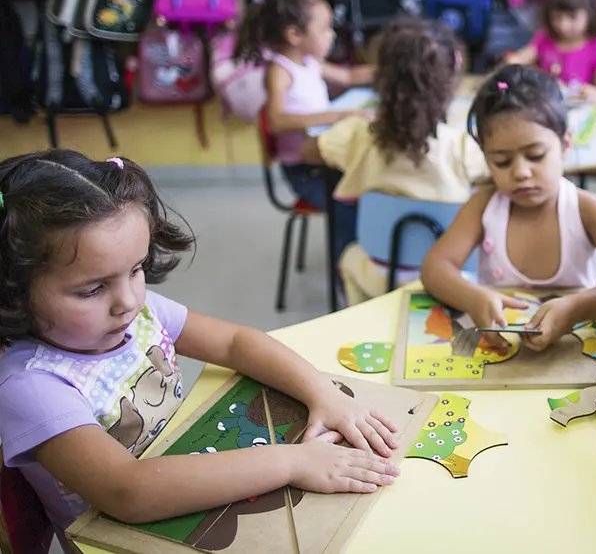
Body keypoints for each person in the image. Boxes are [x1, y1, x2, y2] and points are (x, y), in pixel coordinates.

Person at [0, 151, 399, 547]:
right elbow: (127, 492)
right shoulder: (31, 386)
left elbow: (234, 342)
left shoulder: (136, 312)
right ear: (14, 290)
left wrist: (323, 394)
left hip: (188, 483)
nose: (128, 300)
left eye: (136, 270)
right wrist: (293, 461)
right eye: (92, 289)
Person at [421, 64, 596, 352]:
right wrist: (471, 297)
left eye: (535, 155)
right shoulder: (483, 206)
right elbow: (434, 267)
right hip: (502, 358)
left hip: (573, 357)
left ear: (565, 144)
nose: (521, 172)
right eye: (501, 161)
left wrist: (577, 308)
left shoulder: (587, 210)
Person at [300, 17, 487, 305]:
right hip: (453, 273)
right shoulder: (461, 142)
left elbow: (308, 151)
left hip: (377, 270)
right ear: (448, 82)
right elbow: (498, 171)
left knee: (348, 239)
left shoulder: (360, 133)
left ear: (383, 78)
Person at [235, 0, 374, 211]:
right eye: (325, 29)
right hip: (306, 172)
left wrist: (390, 69)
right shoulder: (281, 71)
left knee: (366, 186)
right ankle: (344, 246)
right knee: (352, 203)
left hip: (324, 157)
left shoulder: (310, 62)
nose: (332, 34)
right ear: (295, 35)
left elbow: (348, 76)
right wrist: (339, 115)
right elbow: (276, 121)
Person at [504, 0, 596, 105]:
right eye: (556, 17)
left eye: (572, 17)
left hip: (583, 117)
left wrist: (594, 94)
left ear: (591, 13)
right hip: (550, 113)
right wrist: (512, 62)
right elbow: (519, 59)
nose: (563, 25)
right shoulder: (544, 38)